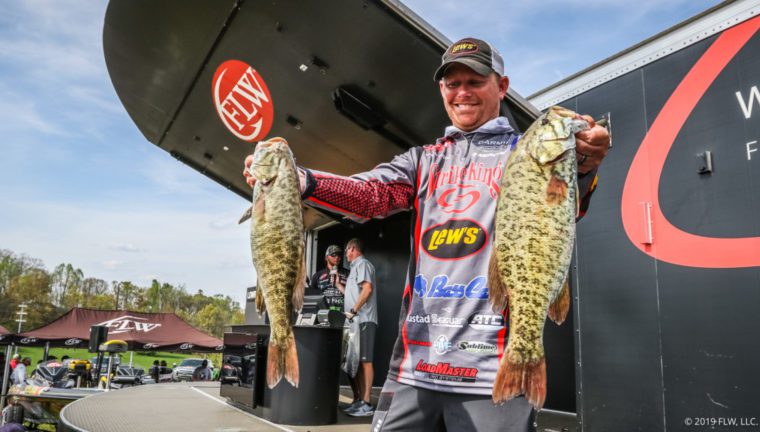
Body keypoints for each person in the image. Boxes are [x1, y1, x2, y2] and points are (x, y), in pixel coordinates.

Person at [243, 37, 609, 431]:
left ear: (502, 86)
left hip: (493, 373)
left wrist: (582, 162)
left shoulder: (527, 153)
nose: (463, 92)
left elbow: (563, 210)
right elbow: (370, 195)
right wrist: (300, 180)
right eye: (453, 84)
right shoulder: (423, 160)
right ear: (441, 90)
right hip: (414, 370)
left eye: (476, 81)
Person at [339, 238, 378, 417]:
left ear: (353, 248)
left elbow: (367, 289)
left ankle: (367, 403)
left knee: (365, 361)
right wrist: (338, 285)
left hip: (364, 320)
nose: (345, 254)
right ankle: (361, 401)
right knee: (357, 363)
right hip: (355, 322)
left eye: (346, 250)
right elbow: (354, 292)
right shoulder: (355, 268)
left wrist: (354, 310)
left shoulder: (363, 264)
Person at [308, 244, 348, 311]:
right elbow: (311, 297)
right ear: (326, 258)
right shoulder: (317, 275)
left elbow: (353, 295)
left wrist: (339, 285)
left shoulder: (348, 273)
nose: (337, 257)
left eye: (339, 255)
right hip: (323, 312)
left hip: (343, 312)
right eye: (333, 255)